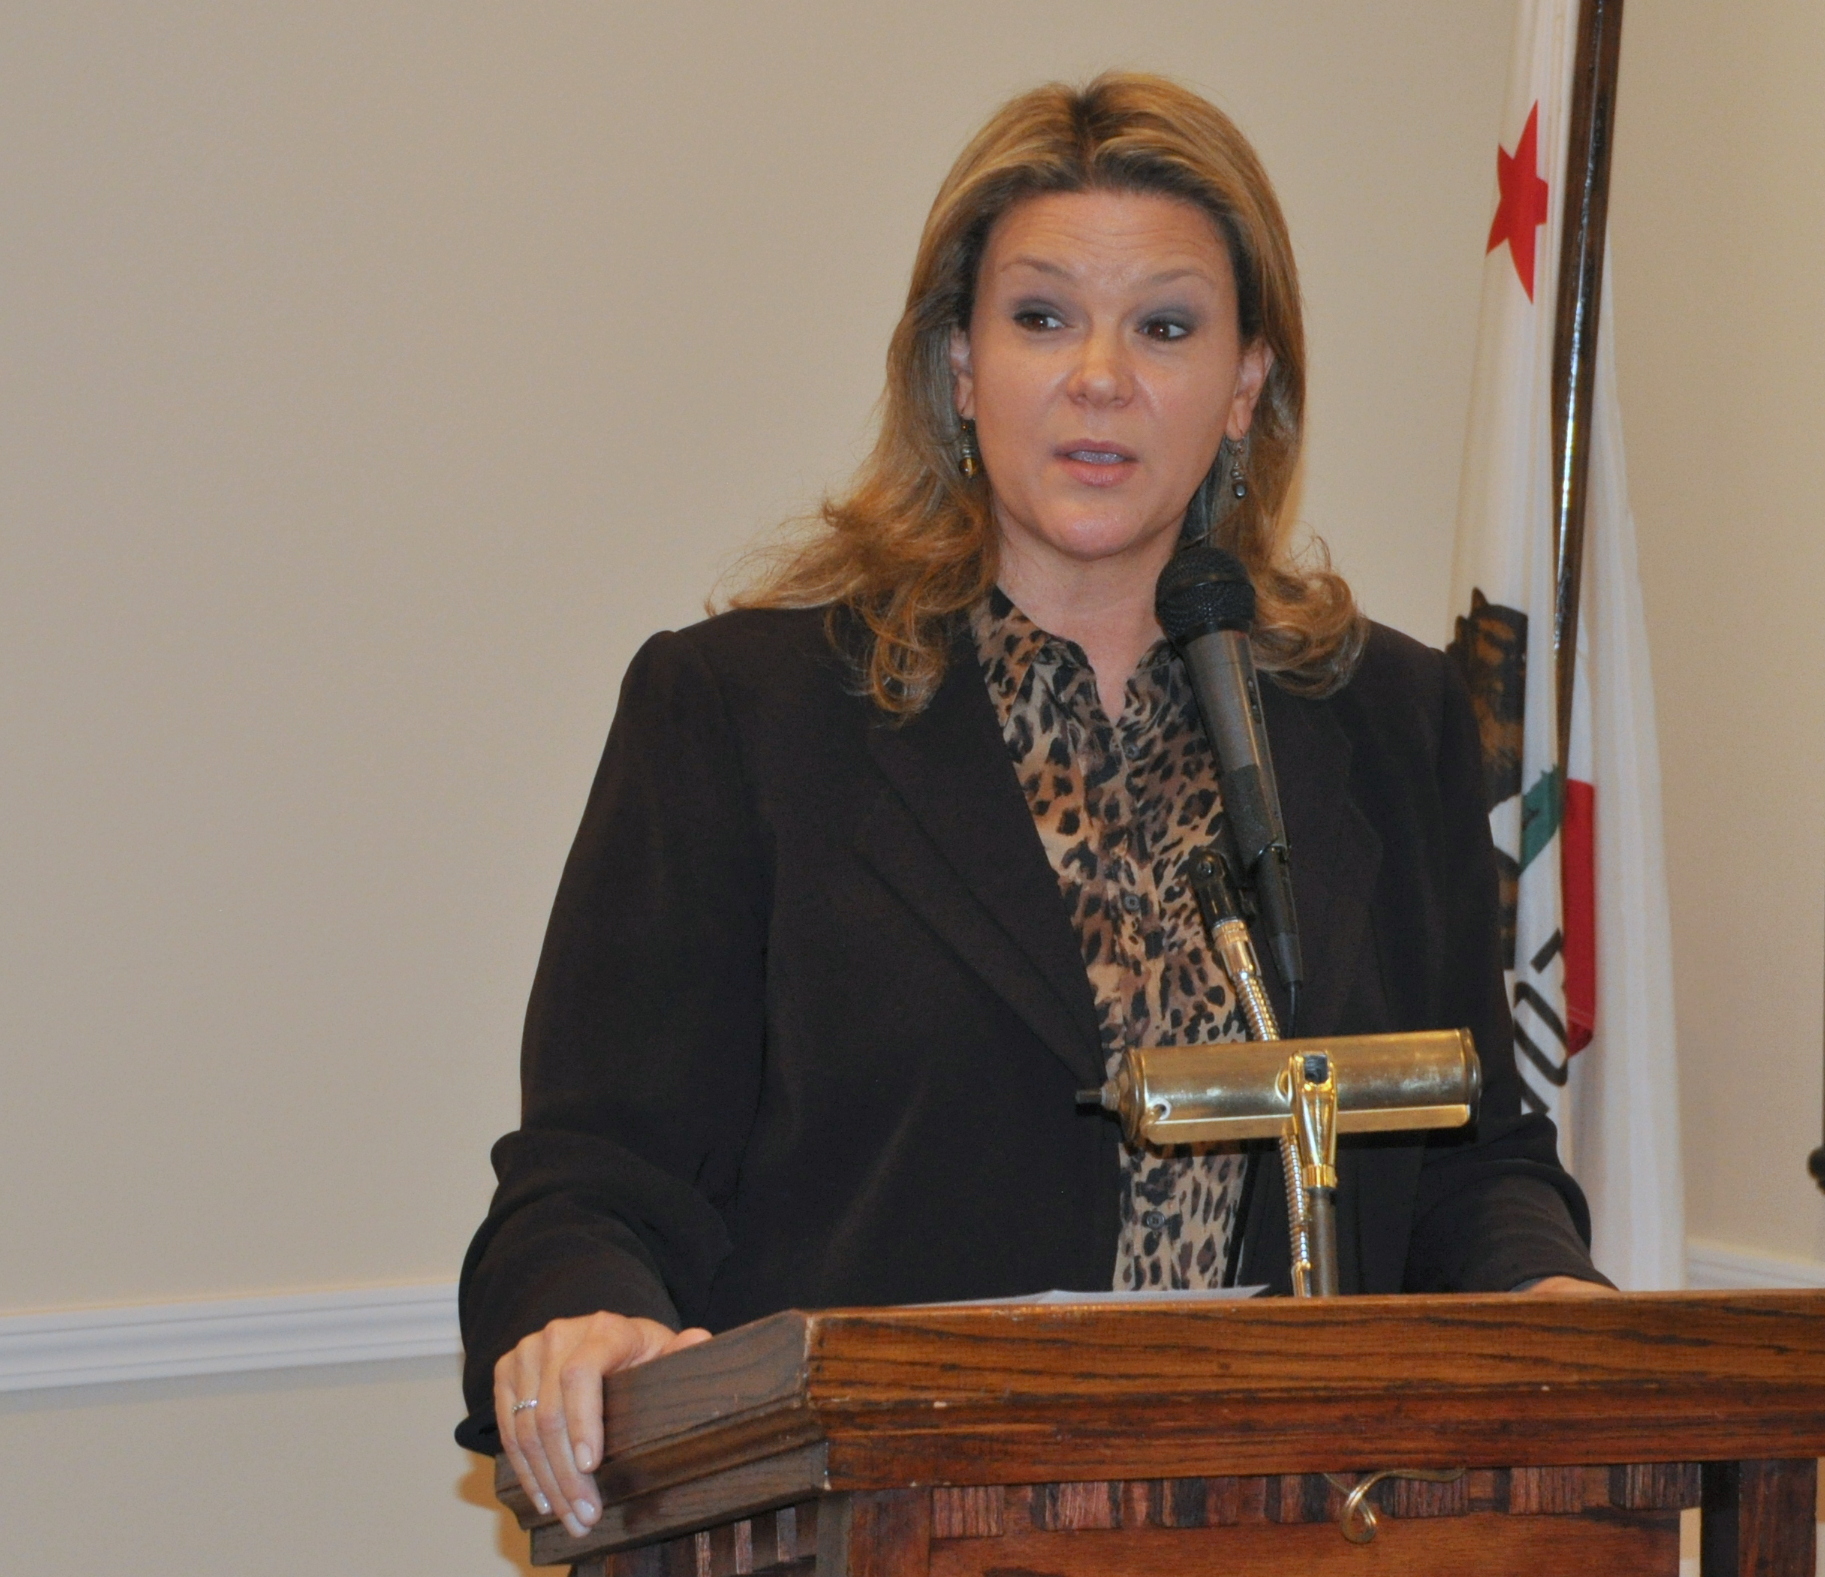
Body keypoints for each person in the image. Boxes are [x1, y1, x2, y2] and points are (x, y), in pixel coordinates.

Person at [458, 72, 1612, 1540]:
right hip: (875, 1531)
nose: (1101, 379)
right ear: (958, 364)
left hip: (1289, 1532)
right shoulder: (745, 713)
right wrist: (585, 1316)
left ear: (1246, 384)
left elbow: (1466, 1152)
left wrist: (1558, 1299)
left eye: (1167, 328)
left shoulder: (1380, 716)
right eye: (1043, 317)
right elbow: (590, 1182)